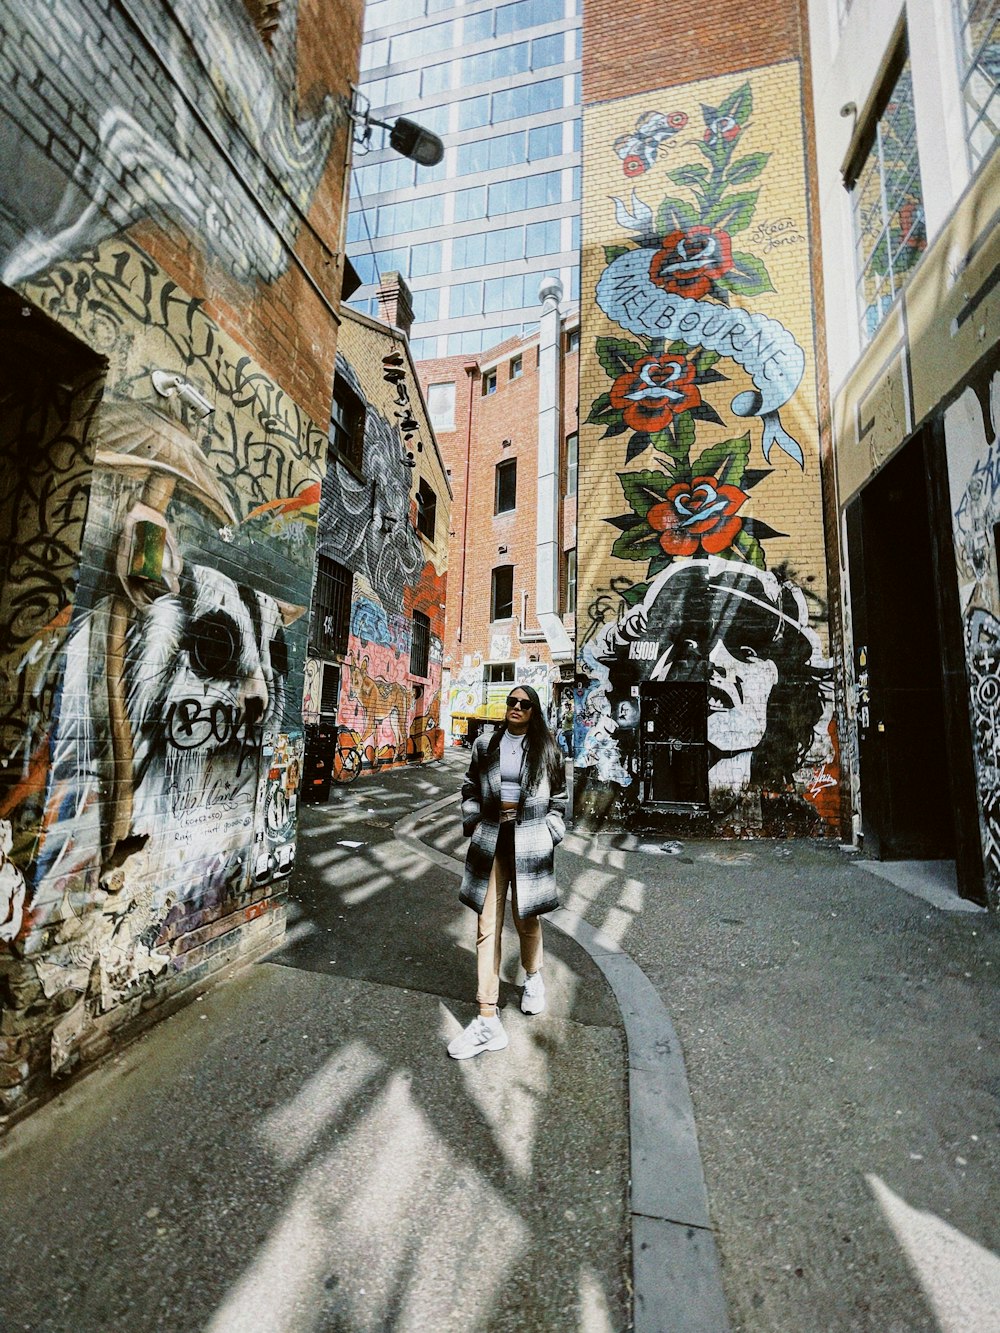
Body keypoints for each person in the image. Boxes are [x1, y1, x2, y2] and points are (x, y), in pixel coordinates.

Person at [447, 683, 566, 1060]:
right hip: (492, 840)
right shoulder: (486, 745)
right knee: (486, 926)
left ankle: (532, 977)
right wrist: (473, 819)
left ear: (534, 711)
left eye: (524, 704)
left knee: (525, 919)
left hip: (529, 841)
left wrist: (549, 833)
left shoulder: (548, 750)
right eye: (511, 702)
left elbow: (560, 801)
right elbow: (469, 788)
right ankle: (487, 1017)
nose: (516, 707)